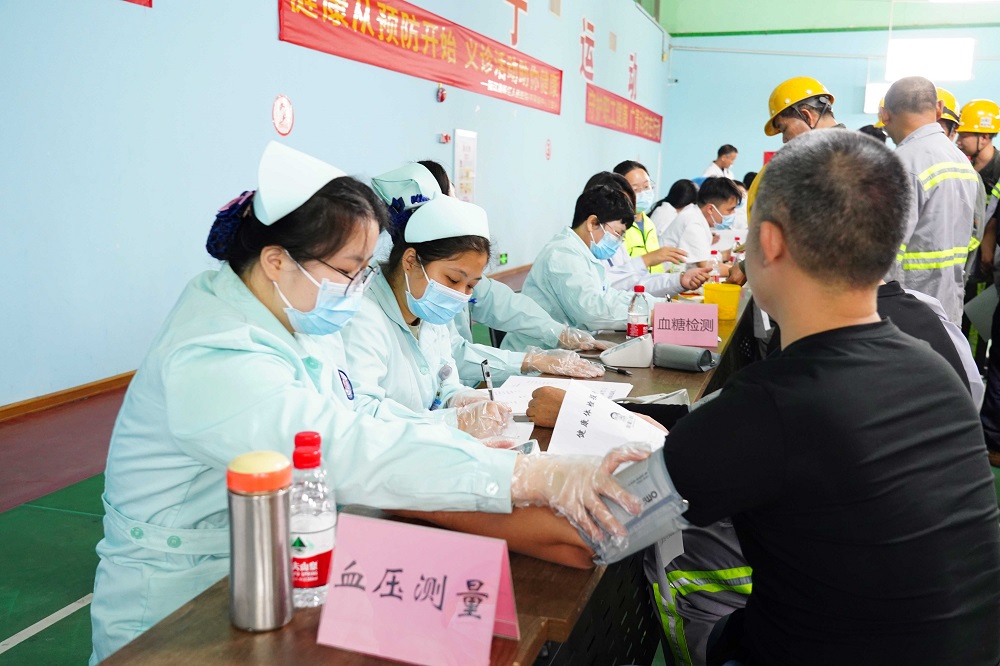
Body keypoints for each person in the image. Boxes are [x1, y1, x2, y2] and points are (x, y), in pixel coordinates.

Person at [88, 142, 646, 662]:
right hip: (177, 596)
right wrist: (520, 475)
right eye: (347, 271)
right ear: (277, 260)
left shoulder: (298, 319)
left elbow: (360, 411)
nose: (358, 288)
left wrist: (451, 436)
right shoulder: (213, 351)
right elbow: (335, 445)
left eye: (362, 272)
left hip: (271, 561)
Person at [372, 161, 606, 387]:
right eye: (453, 280)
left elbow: (502, 303)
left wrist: (559, 332)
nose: (460, 292)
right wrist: (529, 361)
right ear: (410, 260)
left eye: (469, 285)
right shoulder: (392, 301)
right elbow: (455, 355)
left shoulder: (442, 282)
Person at [501, 185, 659, 351]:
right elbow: (591, 311)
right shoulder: (563, 254)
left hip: (564, 347)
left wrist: (657, 305)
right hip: (535, 354)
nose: (618, 242)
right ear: (592, 223)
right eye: (617, 233)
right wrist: (645, 316)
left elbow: (609, 296)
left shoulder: (584, 253)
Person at [880, 76, 979, 325]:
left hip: (906, 312)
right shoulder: (961, 162)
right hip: (947, 309)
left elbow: (883, 254)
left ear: (884, 114)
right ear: (939, 108)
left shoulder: (901, 164)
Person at [586, 171, 711, 298]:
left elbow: (637, 285)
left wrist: (679, 280)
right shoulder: (580, 252)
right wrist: (645, 260)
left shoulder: (612, 242)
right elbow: (604, 289)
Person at [658, 177, 741, 268]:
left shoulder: (695, 215)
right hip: (668, 274)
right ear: (710, 209)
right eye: (730, 210)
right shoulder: (693, 222)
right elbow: (705, 266)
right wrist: (737, 269)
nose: (733, 213)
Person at [613, 160, 665, 274]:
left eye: (646, 186)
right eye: (635, 189)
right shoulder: (616, 227)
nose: (643, 193)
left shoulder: (649, 224)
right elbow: (616, 272)